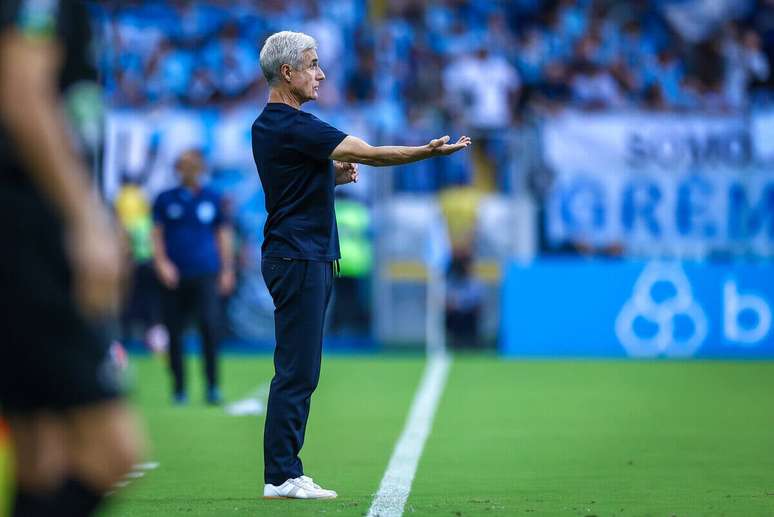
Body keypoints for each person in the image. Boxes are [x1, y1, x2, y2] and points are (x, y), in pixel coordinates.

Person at [253, 30, 471, 500]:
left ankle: (284, 470)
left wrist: (327, 178)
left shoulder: (269, 126)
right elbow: (371, 154)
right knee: (297, 371)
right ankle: (281, 475)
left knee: (298, 368)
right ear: (287, 72)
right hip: (300, 257)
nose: (321, 73)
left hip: (295, 254)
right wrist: (425, 152)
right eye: (312, 64)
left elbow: (290, 187)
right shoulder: (297, 126)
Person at [0, 1, 144, 516]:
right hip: (31, 230)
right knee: (112, 451)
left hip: (28, 227)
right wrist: (86, 219)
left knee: (43, 456)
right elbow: (21, 91)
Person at [152, 149, 235, 405]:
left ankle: (212, 386)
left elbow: (223, 235)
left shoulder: (213, 198)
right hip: (174, 276)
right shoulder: (165, 199)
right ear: (178, 169)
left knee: (209, 328)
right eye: (184, 165)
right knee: (174, 332)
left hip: (205, 273)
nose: (189, 170)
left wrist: (227, 269)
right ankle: (179, 388)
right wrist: (162, 263)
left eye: (194, 165)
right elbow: (156, 234)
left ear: (201, 169)